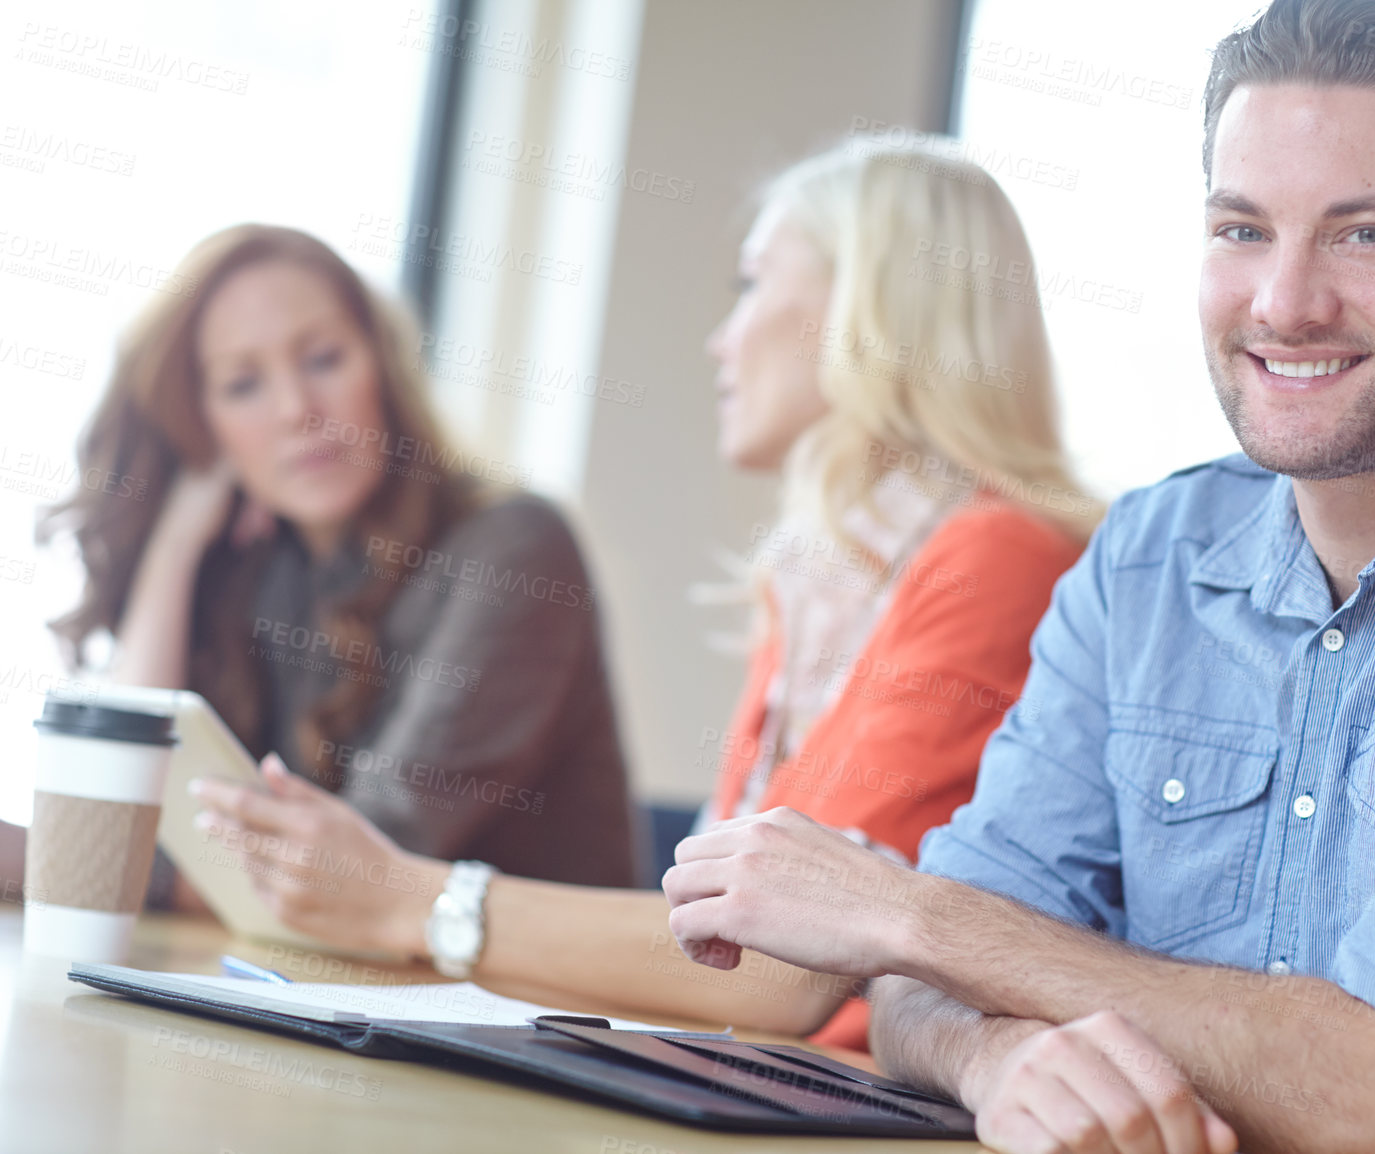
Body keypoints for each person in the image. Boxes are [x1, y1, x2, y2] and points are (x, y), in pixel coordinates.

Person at [661, 2, 1375, 1151]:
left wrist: (911, 911)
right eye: (1241, 230)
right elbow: (920, 998)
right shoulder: (1148, 556)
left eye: (1364, 235)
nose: (1283, 303)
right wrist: (1004, 1056)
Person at [191, 142, 1100, 1046]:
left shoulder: (994, 558)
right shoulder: (815, 583)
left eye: (750, 287)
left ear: (869, 310)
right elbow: (714, 952)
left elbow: (781, 970)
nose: (720, 339)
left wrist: (409, 899)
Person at [9, 224, 637, 907]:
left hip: (534, 1007)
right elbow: (137, 797)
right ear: (205, 426)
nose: (296, 410)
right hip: (342, 994)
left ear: (383, 367)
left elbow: (354, 866)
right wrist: (176, 544)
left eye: (325, 359)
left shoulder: (516, 549)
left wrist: (56, 859)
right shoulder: (269, 576)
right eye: (244, 384)